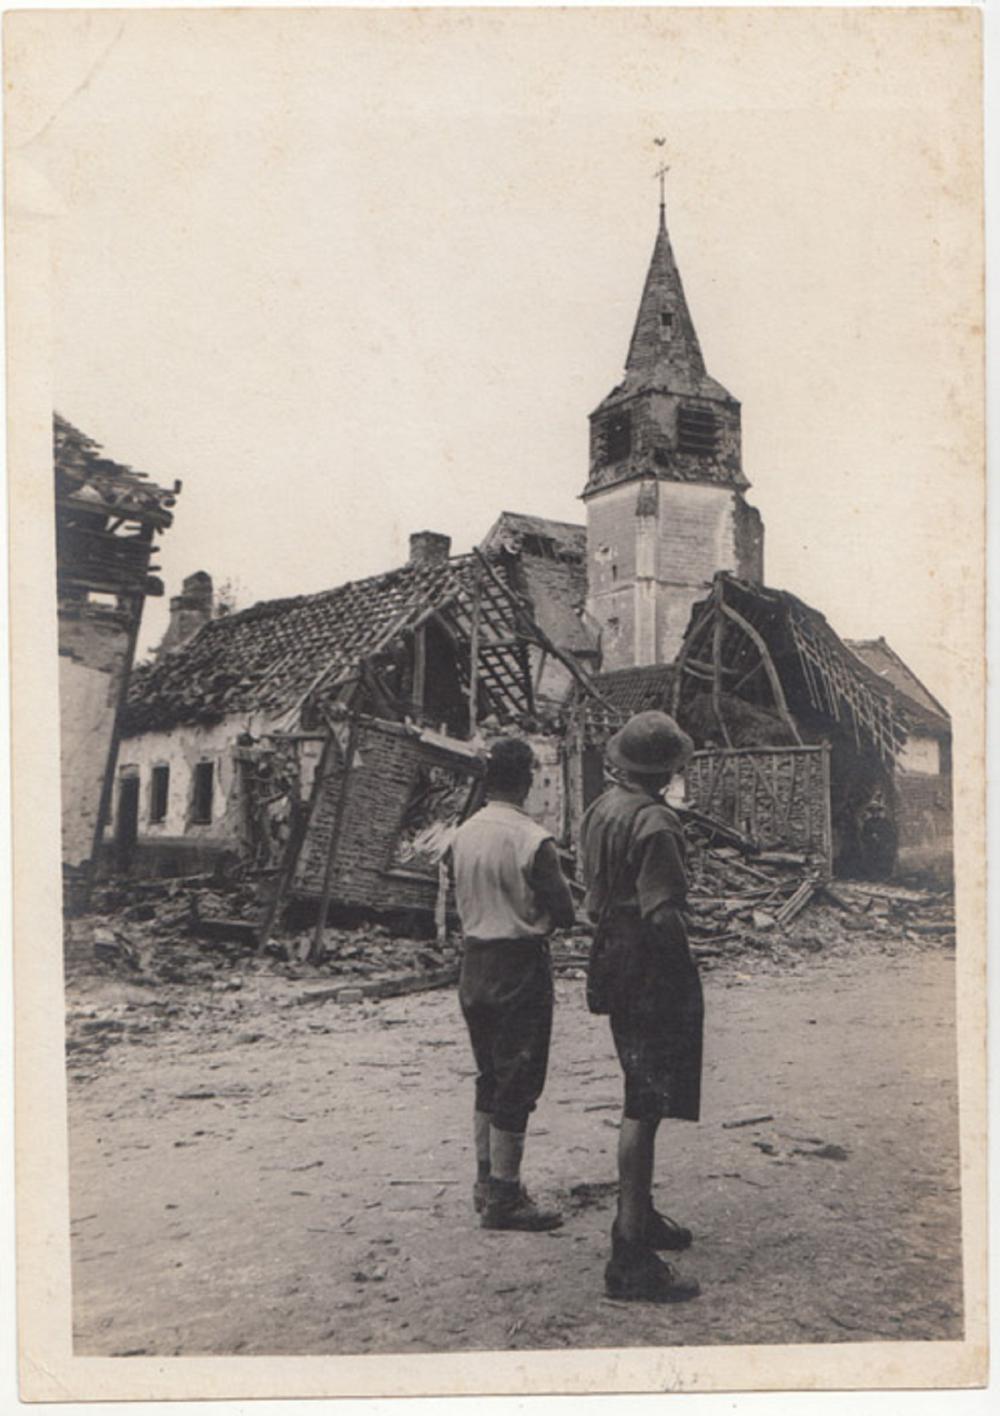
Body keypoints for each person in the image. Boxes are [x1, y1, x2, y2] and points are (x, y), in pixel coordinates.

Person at [580, 710, 703, 1302]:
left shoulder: (602, 809)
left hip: (612, 954)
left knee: (640, 1086)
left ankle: (641, 1214)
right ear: (668, 768)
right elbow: (663, 915)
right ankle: (629, 1254)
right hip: (648, 965)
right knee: (645, 1102)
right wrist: (685, 978)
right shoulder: (657, 824)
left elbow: (592, 899)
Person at [450, 736, 576, 1231]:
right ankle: (505, 1194)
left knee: (489, 1075)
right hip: (518, 964)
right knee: (519, 1078)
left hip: (474, 962)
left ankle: (486, 1181)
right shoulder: (531, 839)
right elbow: (564, 912)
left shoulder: (463, 834)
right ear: (527, 780)